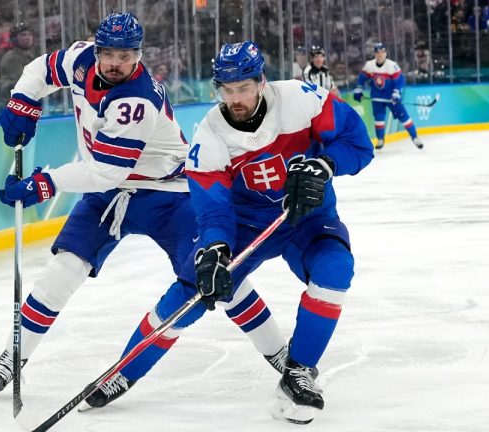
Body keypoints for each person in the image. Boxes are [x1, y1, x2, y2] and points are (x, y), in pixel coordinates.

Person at [0, 13, 289, 396]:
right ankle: (15, 356)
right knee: (63, 270)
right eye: (107, 53)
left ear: (138, 56)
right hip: (109, 194)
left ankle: (281, 354)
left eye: (125, 55)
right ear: (95, 49)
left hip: (169, 194)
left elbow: (106, 171)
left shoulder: (137, 100)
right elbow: (40, 69)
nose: (114, 62)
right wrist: (23, 102)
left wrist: (45, 184)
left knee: (214, 278)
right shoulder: (80, 59)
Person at [78, 41, 374, 425]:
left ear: (261, 82)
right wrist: (216, 247)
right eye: (226, 90)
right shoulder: (209, 138)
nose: (235, 99)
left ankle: (299, 371)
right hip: (246, 224)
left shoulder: (304, 100)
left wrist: (325, 164)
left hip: (308, 216)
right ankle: (124, 371)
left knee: (336, 269)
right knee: (193, 290)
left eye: (244, 88)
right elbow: (213, 207)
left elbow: (359, 145)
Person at [353, 42, 423, 150]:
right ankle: (380, 139)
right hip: (377, 98)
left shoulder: (392, 65)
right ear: (375, 54)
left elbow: (400, 81)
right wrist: (358, 88)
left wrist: (396, 93)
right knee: (379, 119)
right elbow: (362, 78)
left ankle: (415, 137)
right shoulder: (369, 65)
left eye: (382, 52)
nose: (380, 54)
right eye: (378, 52)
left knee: (404, 116)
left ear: (386, 53)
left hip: (391, 98)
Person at [0, 24, 37, 107]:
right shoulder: (11, 57)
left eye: (29, 35)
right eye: (23, 35)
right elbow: (24, 81)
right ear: (14, 39)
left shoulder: (31, 56)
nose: (27, 37)